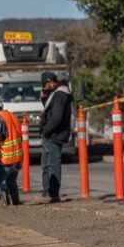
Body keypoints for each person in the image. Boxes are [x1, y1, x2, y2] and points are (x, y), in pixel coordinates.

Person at [39, 71, 72, 203]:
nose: (44, 88)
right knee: (46, 164)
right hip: (52, 134)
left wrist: (46, 130)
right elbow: (51, 112)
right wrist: (44, 99)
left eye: (45, 85)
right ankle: (47, 193)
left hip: (54, 135)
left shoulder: (60, 95)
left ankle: (51, 194)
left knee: (52, 164)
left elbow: (56, 117)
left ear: (51, 82)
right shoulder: (57, 94)